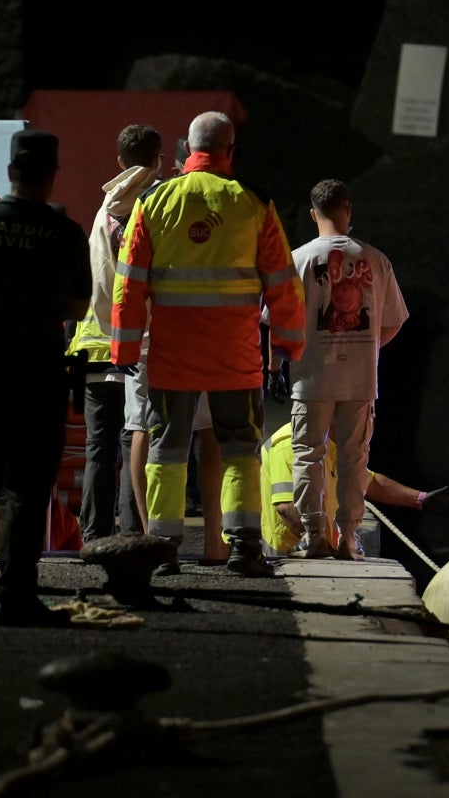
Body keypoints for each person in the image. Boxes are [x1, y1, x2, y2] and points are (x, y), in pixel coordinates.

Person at [111, 111, 305, 578]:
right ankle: (243, 549)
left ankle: (164, 548)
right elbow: (283, 284)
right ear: (230, 150)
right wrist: (287, 346)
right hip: (233, 355)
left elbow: (129, 283)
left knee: (167, 449)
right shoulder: (253, 203)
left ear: (188, 148)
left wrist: (123, 351)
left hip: (172, 354)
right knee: (240, 447)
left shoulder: (155, 201)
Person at [0, 129, 92, 625]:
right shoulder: (65, 233)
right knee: (28, 484)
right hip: (37, 367)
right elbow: (78, 305)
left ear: (9, 172)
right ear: (51, 176)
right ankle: (16, 591)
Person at [274, 178, 408, 561]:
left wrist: (282, 360)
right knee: (354, 457)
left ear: (313, 213)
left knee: (307, 454)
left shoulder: (297, 259)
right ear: (348, 210)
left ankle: (315, 534)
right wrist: (366, 349)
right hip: (359, 380)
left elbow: (278, 322)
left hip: (311, 376)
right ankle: (348, 538)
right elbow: (394, 320)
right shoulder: (377, 260)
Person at [67, 123, 160, 541]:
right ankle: (133, 535)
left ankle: (93, 536)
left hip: (94, 346)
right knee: (135, 442)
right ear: (158, 160)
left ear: (119, 162)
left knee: (98, 449)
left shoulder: (103, 212)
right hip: (138, 347)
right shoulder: (158, 207)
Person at [259, 420, 449, 557]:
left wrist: (421, 499)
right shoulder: (292, 444)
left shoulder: (333, 446)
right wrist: (321, 544)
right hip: (287, 555)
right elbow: (287, 507)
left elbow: (369, 481)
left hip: (316, 550)